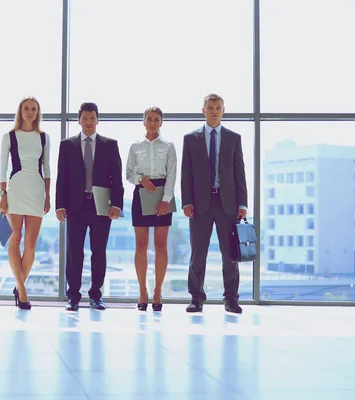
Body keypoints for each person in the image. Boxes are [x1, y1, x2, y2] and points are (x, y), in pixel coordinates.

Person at [181, 94, 248, 314]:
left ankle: (231, 300)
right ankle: (196, 299)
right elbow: (186, 174)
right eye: (210, 107)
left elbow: (240, 173)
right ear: (203, 110)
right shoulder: (191, 139)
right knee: (198, 254)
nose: (214, 111)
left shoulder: (234, 138)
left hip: (227, 204)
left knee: (229, 255)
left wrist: (243, 204)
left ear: (223, 110)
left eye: (218, 108)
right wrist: (187, 201)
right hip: (199, 204)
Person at [55, 102, 124, 311]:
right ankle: (73, 297)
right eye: (84, 118)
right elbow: (62, 178)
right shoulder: (67, 145)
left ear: (97, 120)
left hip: (101, 206)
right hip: (75, 206)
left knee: (99, 252)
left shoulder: (110, 145)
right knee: (74, 253)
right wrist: (59, 205)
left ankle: (96, 296)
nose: (88, 122)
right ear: (78, 120)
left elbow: (117, 178)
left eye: (92, 118)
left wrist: (117, 205)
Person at [0, 97, 51, 310]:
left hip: (36, 190)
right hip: (16, 189)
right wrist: (2, 193)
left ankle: (19, 287)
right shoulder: (9, 136)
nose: (30, 112)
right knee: (15, 238)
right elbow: (2, 168)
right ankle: (22, 289)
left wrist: (48, 195)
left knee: (30, 244)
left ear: (38, 112)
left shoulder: (44, 138)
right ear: (20, 111)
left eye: (34, 109)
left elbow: (47, 168)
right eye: (26, 108)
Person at [125, 107, 177, 312]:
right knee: (141, 245)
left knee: (161, 245)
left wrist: (166, 200)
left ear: (161, 122)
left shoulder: (169, 146)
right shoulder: (135, 147)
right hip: (141, 194)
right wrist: (140, 179)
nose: (153, 123)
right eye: (149, 119)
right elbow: (128, 173)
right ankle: (142, 291)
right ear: (143, 122)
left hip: (163, 194)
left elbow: (172, 175)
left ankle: (157, 291)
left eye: (157, 119)